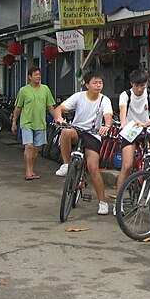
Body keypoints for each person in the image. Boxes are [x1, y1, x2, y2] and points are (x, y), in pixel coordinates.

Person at [51, 70, 114, 215]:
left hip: (93, 135)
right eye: (95, 82)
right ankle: (67, 164)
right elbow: (59, 109)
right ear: (87, 85)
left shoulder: (104, 100)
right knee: (65, 132)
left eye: (100, 82)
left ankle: (103, 202)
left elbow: (108, 115)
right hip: (77, 130)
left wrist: (107, 125)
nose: (98, 85)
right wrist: (59, 118)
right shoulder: (79, 97)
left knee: (93, 168)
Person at [115, 69, 150, 211]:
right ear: (131, 84)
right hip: (130, 131)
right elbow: (122, 113)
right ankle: (118, 203)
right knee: (127, 166)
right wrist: (124, 126)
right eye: (136, 85)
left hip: (146, 129)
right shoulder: (125, 95)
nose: (139, 89)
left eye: (142, 85)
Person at [11, 66, 56, 180]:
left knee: (36, 149)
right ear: (29, 77)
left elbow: (50, 106)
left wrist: (57, 118)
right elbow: (18, 108)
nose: (38, 77)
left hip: (40, 123)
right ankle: (28, 171)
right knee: (29, 146)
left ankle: (32, 169)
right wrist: (14, 122)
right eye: (35, 75)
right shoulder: (23, 90)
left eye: (39, 74)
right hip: (27, 122)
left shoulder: (45, 89)